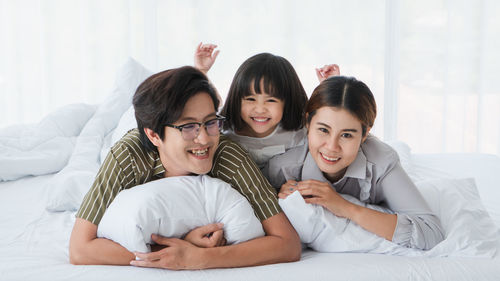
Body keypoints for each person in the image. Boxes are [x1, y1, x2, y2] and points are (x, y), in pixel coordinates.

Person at [69, 66, 301, 269]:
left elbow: (288, 244)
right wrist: (176, 250)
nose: (204, 139)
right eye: (188, 127)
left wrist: (201, 257)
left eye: (210, 122)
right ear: (154, 135)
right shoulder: (128, 157)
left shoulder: (228, 156)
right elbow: (80, 249)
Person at [265, 75, 445, 250]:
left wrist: (345, 207)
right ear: (308, 123)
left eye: (346, 135)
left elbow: (431, 233)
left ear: (365, 135)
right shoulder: (283, 167)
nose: (332, 147)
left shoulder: (382, 163)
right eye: (323, 130)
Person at [195, 43, 339, 170]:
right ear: (236, 100)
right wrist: (201, 72)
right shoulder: (225, 128)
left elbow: (328, 120)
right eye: (250, 99)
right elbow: (206, 104)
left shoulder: (298, 132)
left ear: (287, 102)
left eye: (270, 101)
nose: (259, 109)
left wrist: (330, 85)